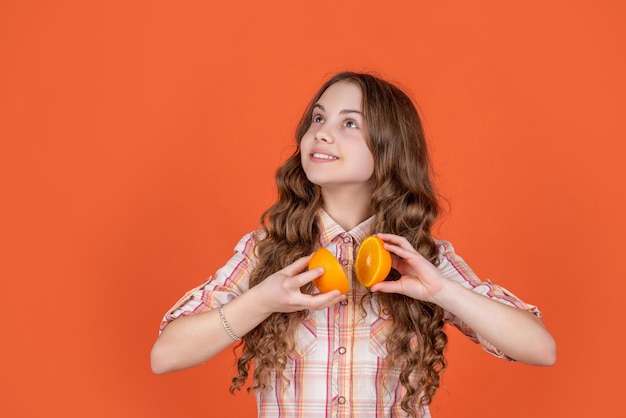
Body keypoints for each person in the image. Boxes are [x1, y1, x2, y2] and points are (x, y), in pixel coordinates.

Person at [150, 71, 556, 418]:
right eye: (318, 118)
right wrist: (261, 301)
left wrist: (443, 291)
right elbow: (165, 355)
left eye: (349, 124)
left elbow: (540, 349)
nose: (321, 132)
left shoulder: (421, 259)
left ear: (388, 149)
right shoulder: (267, 250)